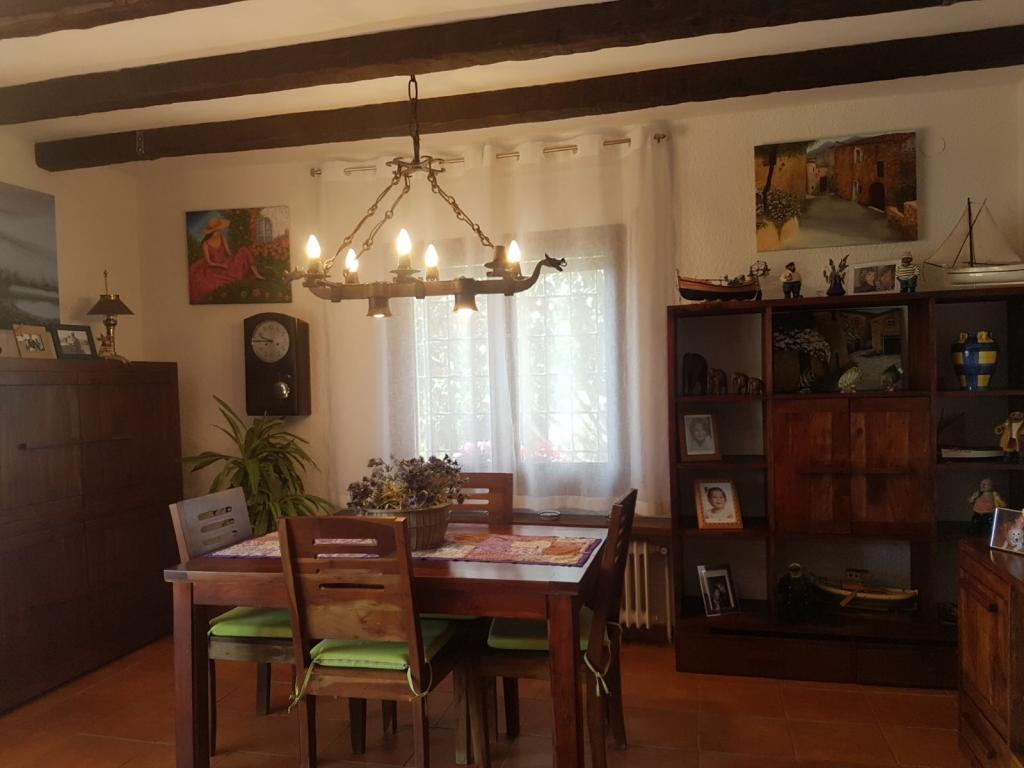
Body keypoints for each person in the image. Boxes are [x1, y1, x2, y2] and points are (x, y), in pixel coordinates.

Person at [188, 217, 265, 301]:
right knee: (209, 284)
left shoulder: (222, 238)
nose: (218, 233)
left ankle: (256, 273)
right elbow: (209, 262)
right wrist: (221, 265)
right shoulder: (205, 244)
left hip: (225, 262)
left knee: (243, 250)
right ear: (211, 233)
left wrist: (234, 258)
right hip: (214, 267)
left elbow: (228, 253)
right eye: (216, 231)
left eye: (219, 231)